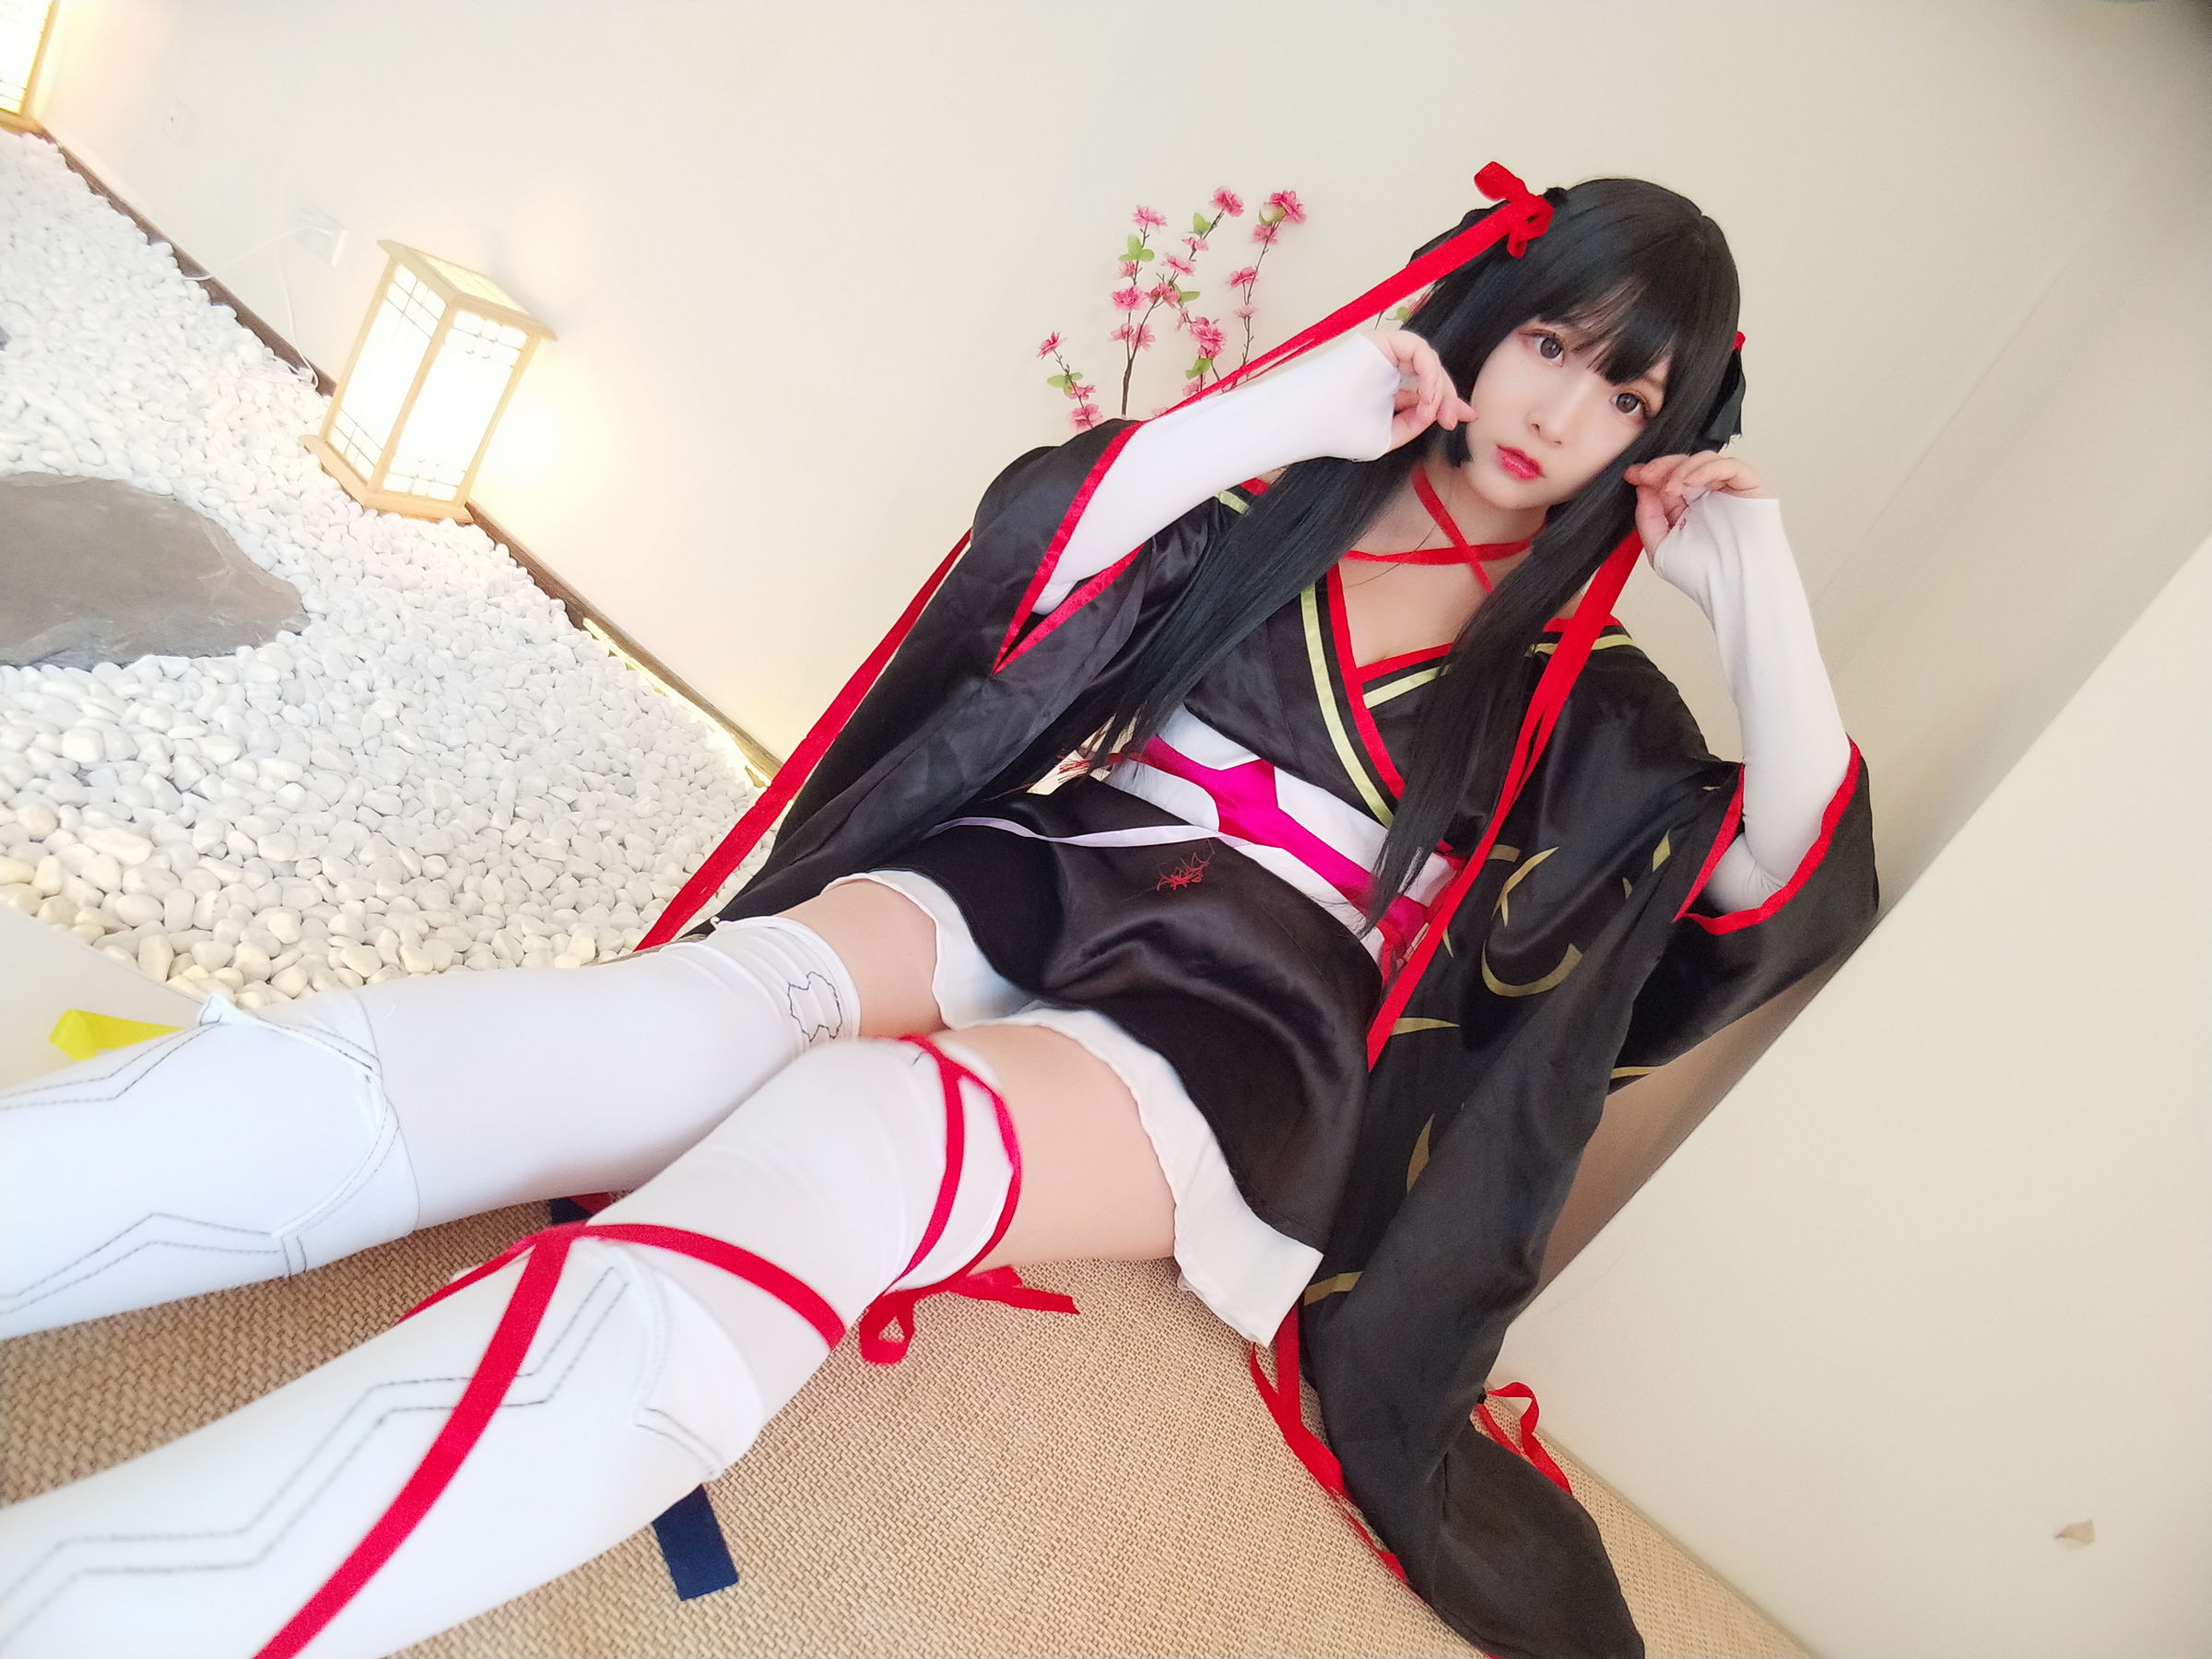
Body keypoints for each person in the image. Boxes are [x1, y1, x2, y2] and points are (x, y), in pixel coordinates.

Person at [0, 166, 1877, 1659]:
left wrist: (1760, 599)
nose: (1567, 408)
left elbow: (1760, 899)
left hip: (1251, 1028)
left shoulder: (1587, 697)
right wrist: (1279, 415)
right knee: (669, 1026)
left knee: (856, 1136)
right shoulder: (1274, 514)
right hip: (1051, 878)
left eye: (1630, 392)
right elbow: (1022, 566)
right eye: (1554, 340)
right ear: (1487, 312)